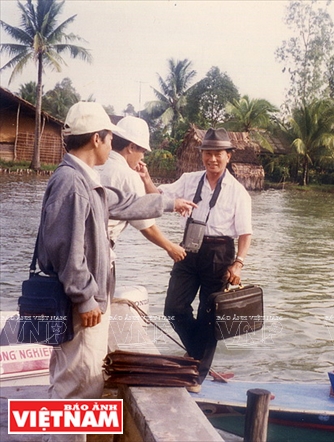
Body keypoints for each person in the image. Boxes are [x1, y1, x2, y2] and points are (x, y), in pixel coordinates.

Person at [36, 102, 195, 441]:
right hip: (81, 303)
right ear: (97, 139)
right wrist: (85, 298)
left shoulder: (83, 178)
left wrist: (168, 202)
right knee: (77, 382)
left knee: (82, 378)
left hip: (87, 297)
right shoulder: (71, 182)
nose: (113, 145)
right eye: (110, 137)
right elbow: (65, 249)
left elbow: (121, 206)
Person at [159, 127, 253, 392]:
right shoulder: (189, 180)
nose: (212, 159)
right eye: (208, 153)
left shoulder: (238, 192)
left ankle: (195, 375)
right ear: (202, 155)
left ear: (228, 157)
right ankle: (198, 355)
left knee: (209, 315)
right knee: (174, 308)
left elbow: (246, 234)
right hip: (188, 249)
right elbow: (160, 194)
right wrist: (143, 177)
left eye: (218, 154)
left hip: (219, 254)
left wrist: (238, 263)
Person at [96, 116, 185, 262]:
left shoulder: (97, 163)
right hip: (100, 248)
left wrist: (145, 180)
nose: (142, 157)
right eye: (142, 151)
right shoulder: (128, 175)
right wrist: (170, 247)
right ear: (131, 147)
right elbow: (146, 224)